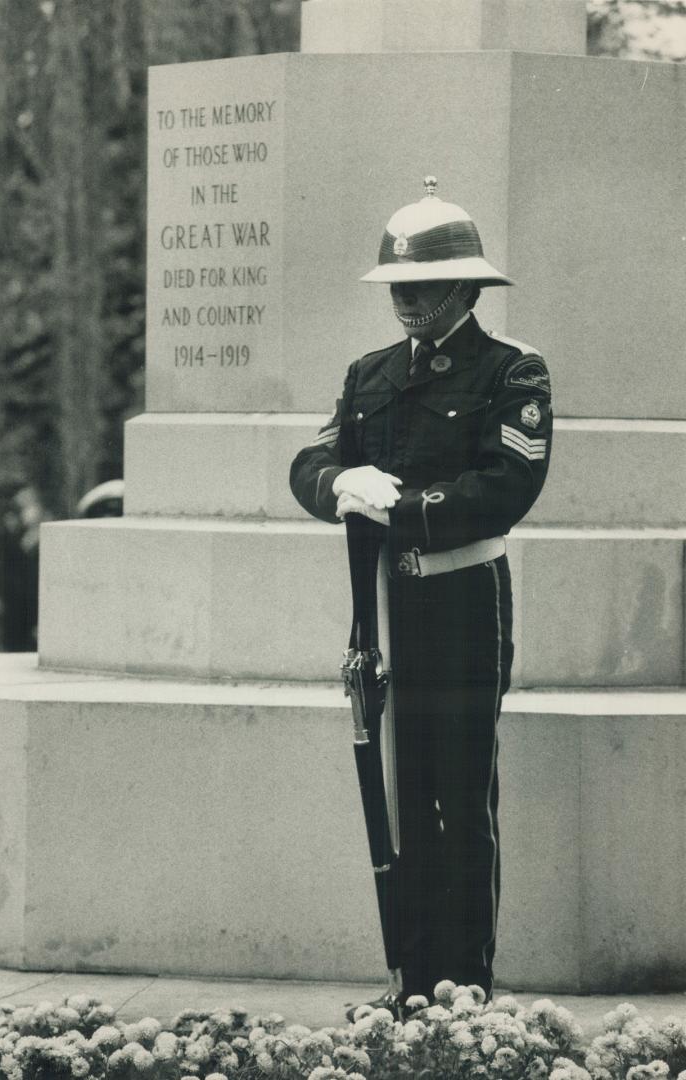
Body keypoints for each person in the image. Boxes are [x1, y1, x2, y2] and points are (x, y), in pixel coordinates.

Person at [289, 177, 552, 1015]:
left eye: (425, 287)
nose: (408, 302)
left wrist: (399, 509)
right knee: (396, 794)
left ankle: (462, 987)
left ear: (468, 288)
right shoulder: (368, 375)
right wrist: (339, 482)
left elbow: (507, 484)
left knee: (458, 799)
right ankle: (409, 982)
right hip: (386, 610)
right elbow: (309, 463)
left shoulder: (511, 371)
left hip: (463, 604)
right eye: (398, 287)